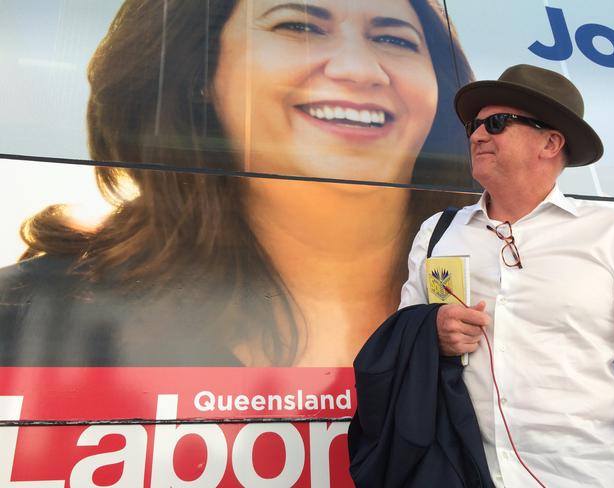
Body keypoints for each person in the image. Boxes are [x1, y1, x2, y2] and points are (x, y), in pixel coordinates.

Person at [0, 0, 478, 367]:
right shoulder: (31, 312)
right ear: (200, 75)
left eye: (395, 40)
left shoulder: (496, 282)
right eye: (299, 27)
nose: (358, 69)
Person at [400, 64, 614, 486]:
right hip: (461, 474)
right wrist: (432, 332)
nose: (478, 135)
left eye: (496, 123)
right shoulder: (438, 232)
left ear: (551, 142)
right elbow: (401, 343)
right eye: (473, 126)